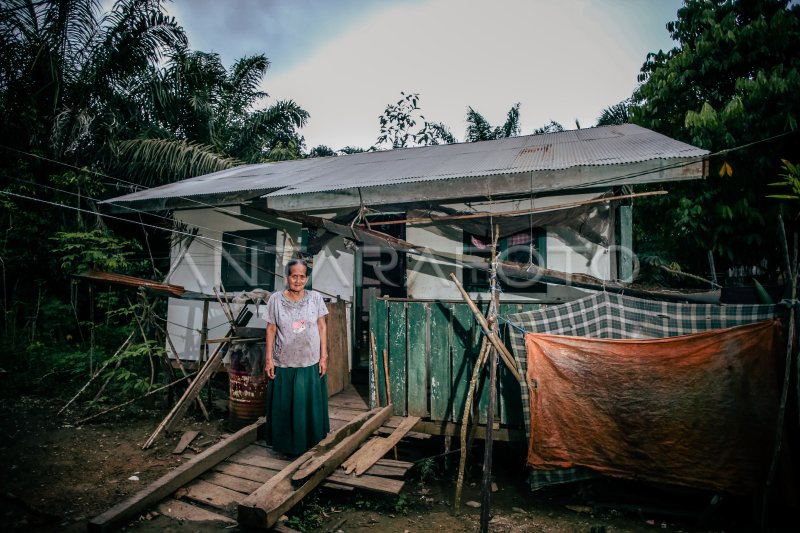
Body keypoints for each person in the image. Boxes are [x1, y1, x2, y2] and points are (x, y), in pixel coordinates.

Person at [264, 258, 330, 455]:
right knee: (285, 406)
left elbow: (322, 326)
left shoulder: (315, 298)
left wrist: (323, 356)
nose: (298, 280)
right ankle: (286, 445)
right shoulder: (275, 299)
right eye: (294, 276)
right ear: (287, 277)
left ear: (307, 278)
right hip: (284, 361)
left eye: (302, 277)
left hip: (310, 360)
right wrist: (269, 359)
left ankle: (311, 441)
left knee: (309, 405)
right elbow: (271, 329)